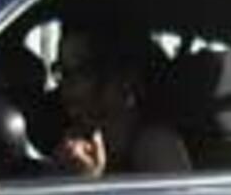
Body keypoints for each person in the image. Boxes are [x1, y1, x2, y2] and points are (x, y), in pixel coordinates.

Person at [47, 19, 192, 178]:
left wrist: (86, 183)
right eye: (62, 72)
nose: (66, 85)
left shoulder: (156, 145)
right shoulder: (77, 141)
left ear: (124, 79)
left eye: (82, 72)